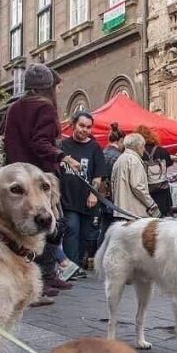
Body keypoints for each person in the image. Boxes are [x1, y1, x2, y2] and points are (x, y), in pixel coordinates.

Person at [4, 62, 81, 305]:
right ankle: (39, 281)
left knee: (29, 229)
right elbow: (40, 143)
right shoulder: (45, 108)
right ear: (47, 88)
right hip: (39, 177)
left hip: (18, 176)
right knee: (48, 226)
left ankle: (46, 276)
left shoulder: (15, 108)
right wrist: (62, 156)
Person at [59, 111, 106, 268]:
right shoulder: (63, 146)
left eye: (88, 127)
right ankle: (72, 267)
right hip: (68, 199)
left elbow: (98, 175)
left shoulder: (94, 148)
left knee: (85, 235)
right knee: (71, 229)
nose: (84, 130)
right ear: (73, 125)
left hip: (88, 200)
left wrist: (93, 193)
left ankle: (78, 263)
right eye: (81, 126)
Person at [111, 133, 161, 220]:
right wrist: (152, 205)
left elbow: (112, 184)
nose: (144, 149)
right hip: (133, 212)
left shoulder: (120, 159)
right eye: (143, 146)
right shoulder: (134, 160)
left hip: (120, 211)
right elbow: (138, 186)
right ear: (138, 146)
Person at [135, 125, 174, 216]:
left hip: (147, 193)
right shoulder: (162, 151)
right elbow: (168, 164)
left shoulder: (138, 152)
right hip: (163, 191)